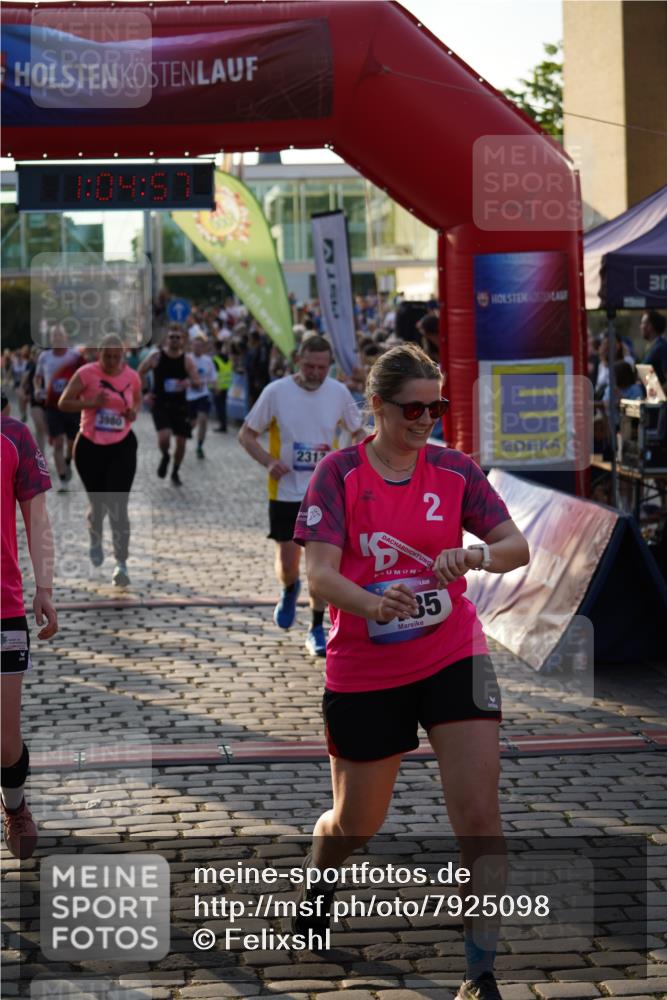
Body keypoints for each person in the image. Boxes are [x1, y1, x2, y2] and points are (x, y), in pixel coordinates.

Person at [292, 343, 530, 1000]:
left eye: (436, 406)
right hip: (366, 664)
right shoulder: (338, 475)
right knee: (354, 825)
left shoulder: (454, 470)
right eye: (410, 409)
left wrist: (475, 554)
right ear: (375, 406)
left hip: (453, 650)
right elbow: (318, 573)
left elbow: (517, 547)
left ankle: (479, 969)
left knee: (480, 814)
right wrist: (372, 602)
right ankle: (321, 876)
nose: (425, 419)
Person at [238, 335, 364, 657]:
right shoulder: (276, 392)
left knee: (322, 566)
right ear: (298, 361)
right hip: (285, 490)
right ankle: (288, 588)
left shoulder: (338, 392)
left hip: (326, 492)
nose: (316, 373)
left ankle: (316, 627)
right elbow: (246, 434)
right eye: (309, 366)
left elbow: (358, 431)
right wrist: (268, 461)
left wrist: (363, 455)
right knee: (288, 562)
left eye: (322, 367)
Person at [1, 391, 58, 859]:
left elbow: (38, 517)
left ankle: (15, 804)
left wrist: (44, 586)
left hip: (4, 606)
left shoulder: (14, 436)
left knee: (4, 741)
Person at [58, 336, 142, 588]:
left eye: (117, 357)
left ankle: (121, 563)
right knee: (98, 504)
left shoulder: (132, 376)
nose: (113, 362)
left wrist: (132, 412)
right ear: (99, 354)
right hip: (90, 446)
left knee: (118, 504)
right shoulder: (86, 374)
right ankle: (95, 537)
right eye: (108, 356)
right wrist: (90, 403)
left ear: (123, 356)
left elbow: (136, 401)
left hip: (123, 444)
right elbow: (63, 403)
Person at [138, 325, 200, 486]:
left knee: (181, 442)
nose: (174, 340)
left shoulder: (187, 360)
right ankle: (165, 456)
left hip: (180, 406)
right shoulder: (156, 357)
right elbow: (139, 372)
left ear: (182, 340)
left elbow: (198, 382)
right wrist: (145, 392)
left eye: (177, 337)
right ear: (166, 339)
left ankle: (175, 471)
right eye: (171, 336)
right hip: (160, 403)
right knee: (164, 437)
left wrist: (189, 382)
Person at [34, 327, 82, 491]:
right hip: (52, 406)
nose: (57, 339)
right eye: (54, 336)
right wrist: (37, 389)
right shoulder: (44, 357)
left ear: (66, 337)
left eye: (60, 336)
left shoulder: (74, 356)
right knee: (58, 443)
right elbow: (38, 377)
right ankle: (63, 481)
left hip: (72, 405)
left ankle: (68, 460)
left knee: (72, 443)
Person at [186, 333, 218, 458]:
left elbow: (213, 377)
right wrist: (191, 382)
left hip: (203, 394)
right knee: (192, 423)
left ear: (204, 348)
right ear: (191, 346)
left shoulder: (208, 360)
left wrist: (215, 386)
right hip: (189, 396)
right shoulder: (187, 358)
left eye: (200, 346)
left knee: (203, 419)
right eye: (195, 346)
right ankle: (184, 433)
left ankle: (199, 446)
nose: (198, 348)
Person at [640, 310, 667, 386]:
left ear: (650, 326)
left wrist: (659, 393)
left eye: (643, 323)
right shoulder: (651, 346)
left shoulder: (662, 348)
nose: (640, 326)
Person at [212, 341, 233, 433]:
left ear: (215, 348)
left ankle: (222, 426)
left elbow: (215, 374)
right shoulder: (227, 358)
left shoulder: (215, 359)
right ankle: (223, 424)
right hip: (226, 385)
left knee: (219, 407)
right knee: (223, 406)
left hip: (218, 387)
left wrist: (216, 387)